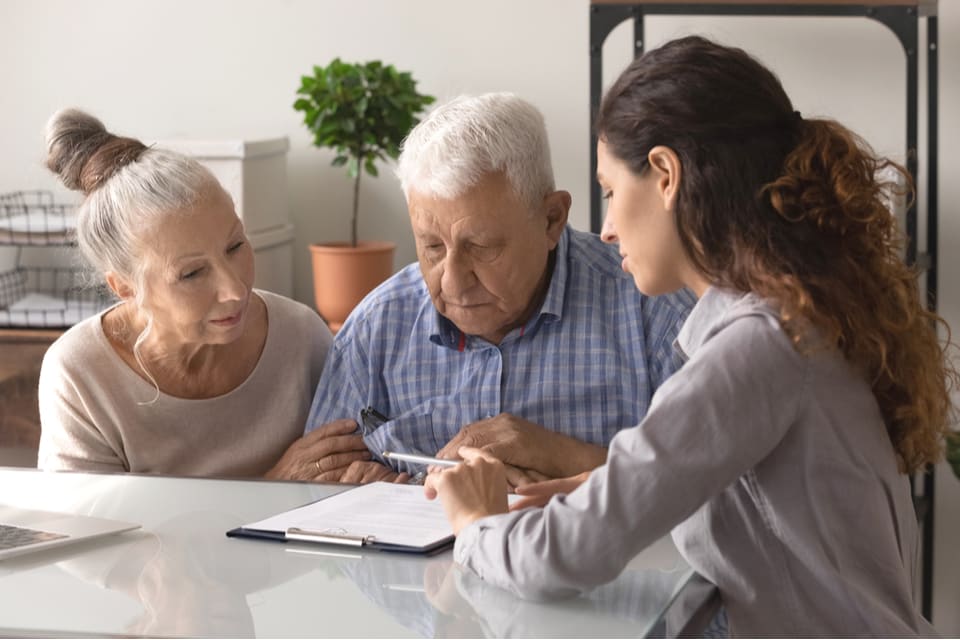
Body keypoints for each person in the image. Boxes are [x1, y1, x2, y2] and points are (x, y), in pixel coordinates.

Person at [423, 36, 955, 636]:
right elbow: (755, 489)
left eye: (610, 193)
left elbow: (562, 557)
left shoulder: (757, 346)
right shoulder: (790, 322)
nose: (606, 230)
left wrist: (473, 522)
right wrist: (601, 487)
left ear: (665, 175)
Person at [281, 92, 692, 485]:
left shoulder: (653, 311)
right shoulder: (376, 328)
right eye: (432, 247)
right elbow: (313, 498)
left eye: (481, 247)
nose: (452, 281)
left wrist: (565, 459)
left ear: (551, 219)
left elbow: (716, 493)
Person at [37, 109, 351, 477]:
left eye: (235, 246)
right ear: (124, 287)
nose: (234, 290)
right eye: (192, 273)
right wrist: (274, 485)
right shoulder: (80, 373)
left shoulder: (301, 338)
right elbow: (98, 528)